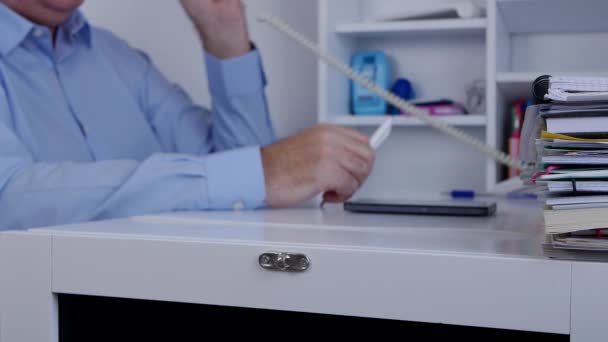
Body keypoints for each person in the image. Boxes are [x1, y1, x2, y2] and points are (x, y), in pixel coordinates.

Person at [0, 0, 375, 230]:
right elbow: (10, 198)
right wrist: (266, 170)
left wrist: (224, 30)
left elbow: (245, 186)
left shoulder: (119, 58)